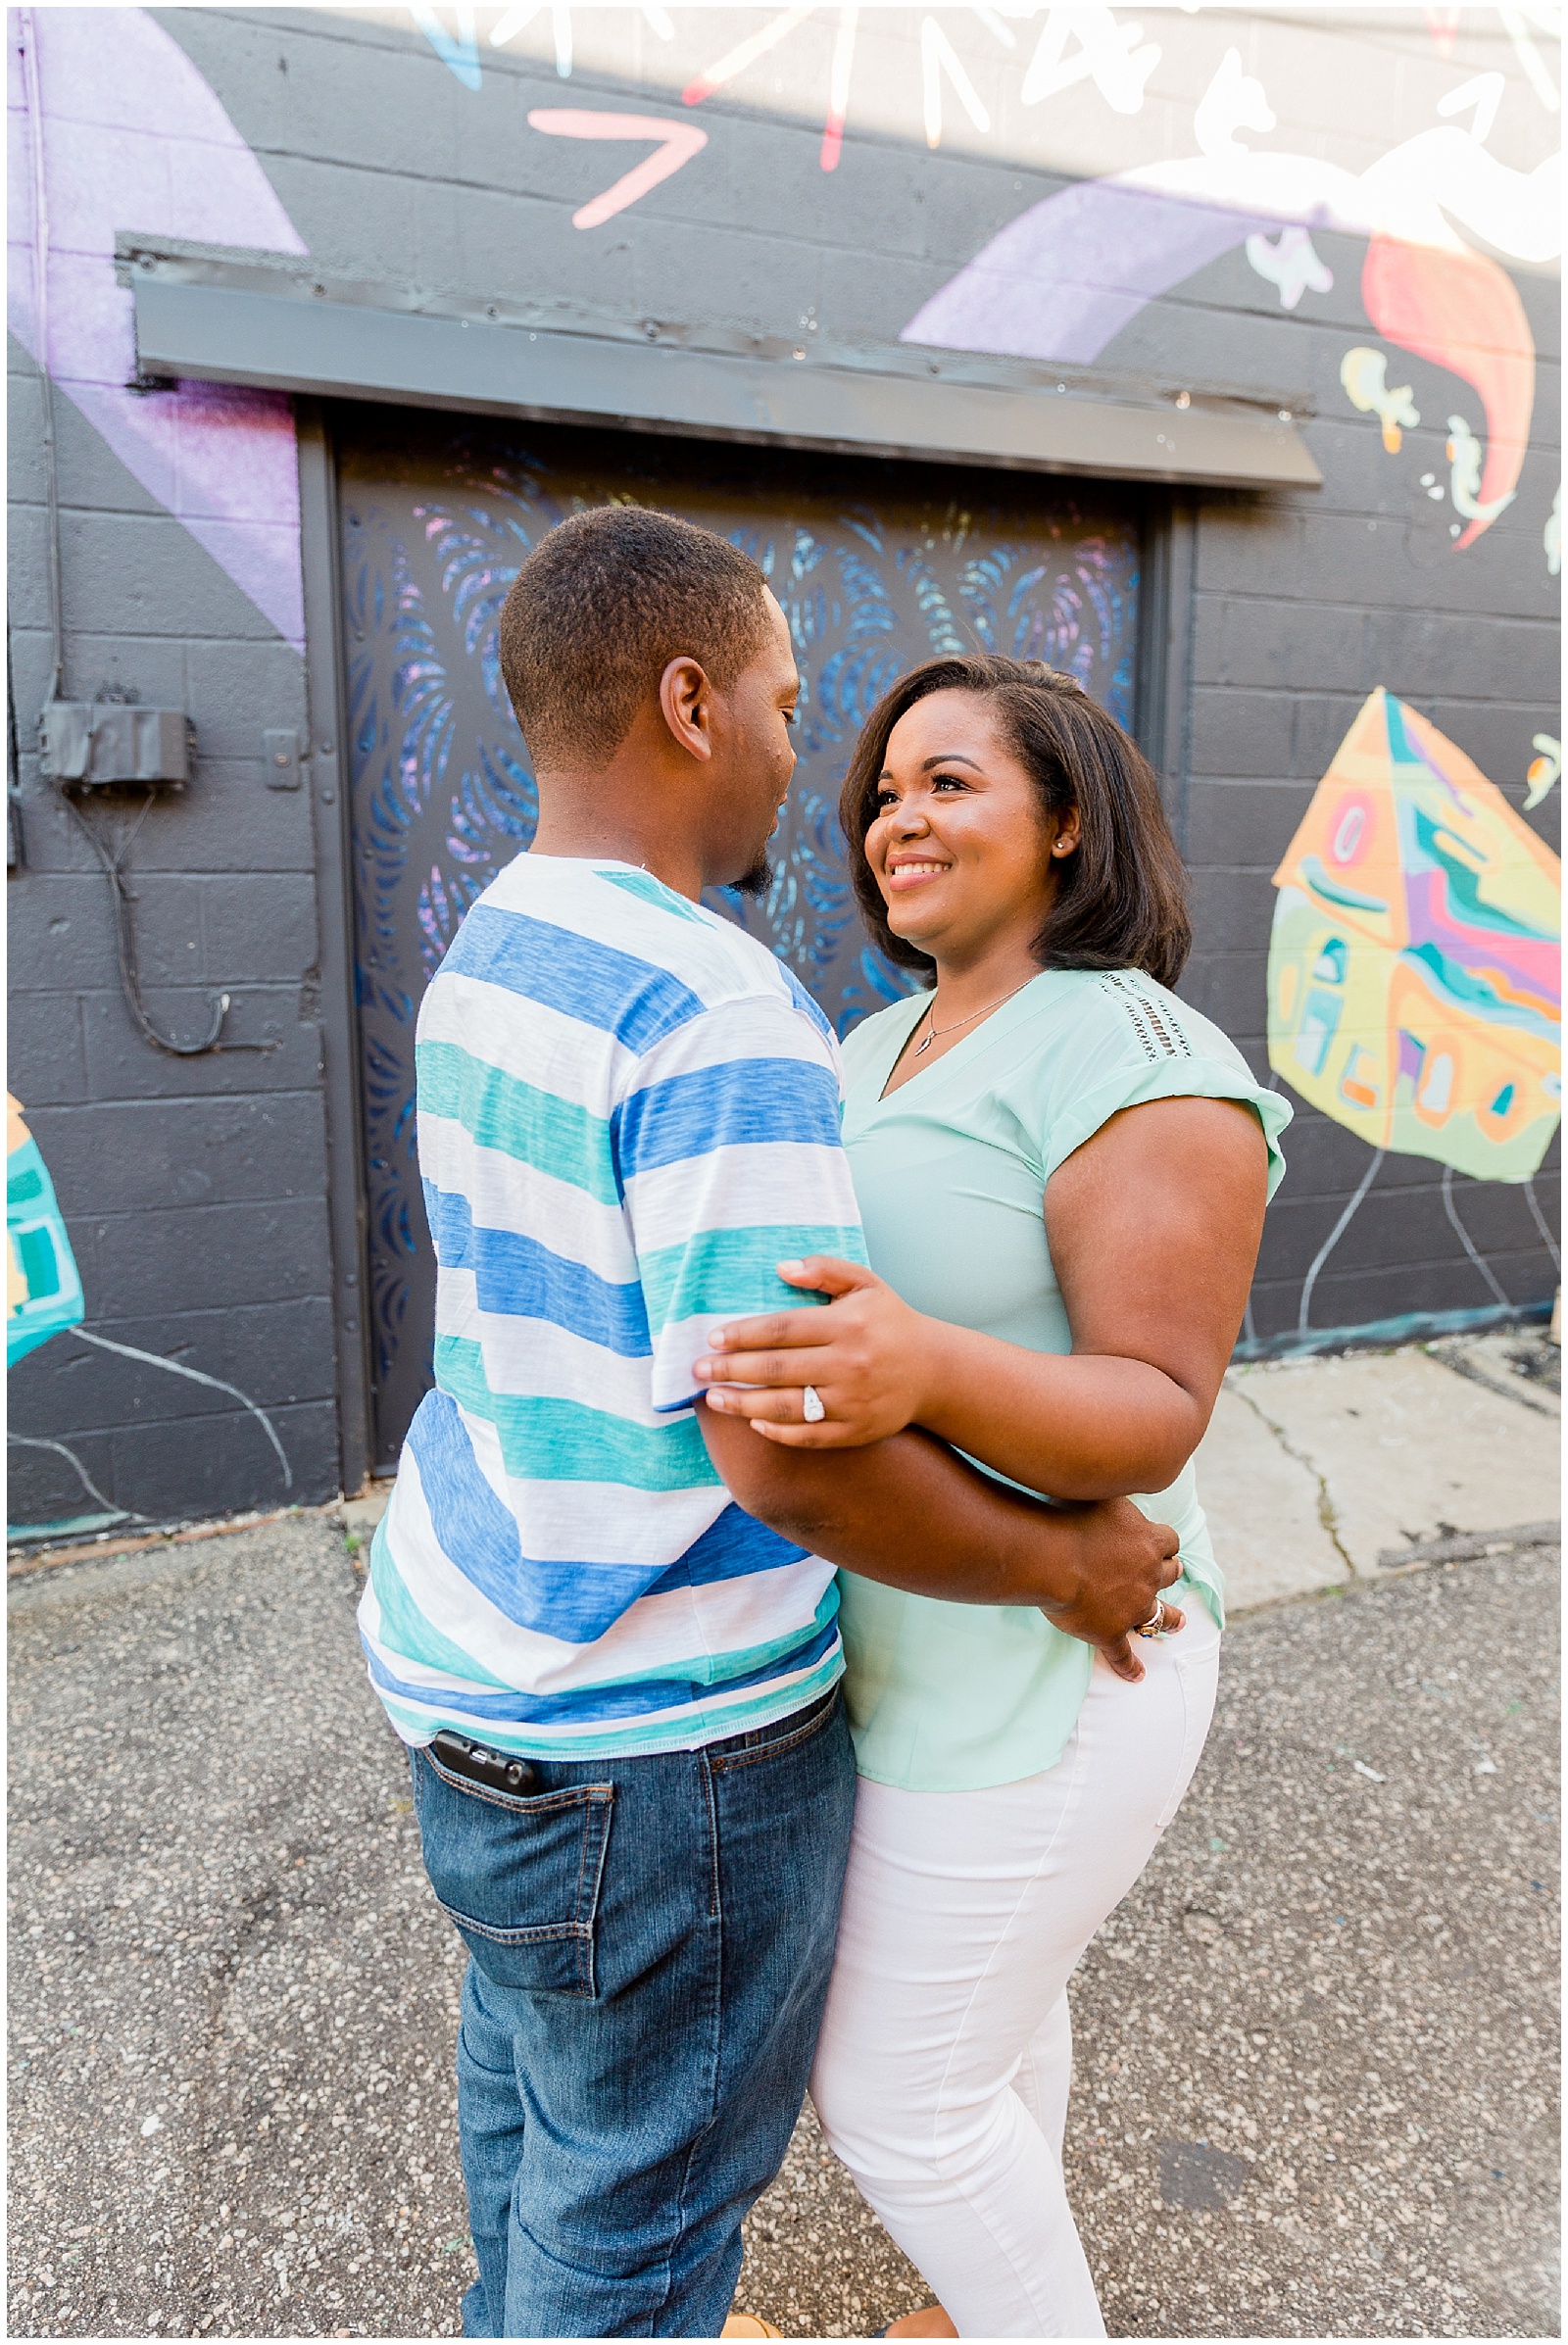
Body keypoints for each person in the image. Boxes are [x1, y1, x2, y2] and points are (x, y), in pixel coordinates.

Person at [357, 518, 1183, 2341]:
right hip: (658, 1747)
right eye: (796, 709)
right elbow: (781, 1446)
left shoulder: (495, 938)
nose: (809, 761)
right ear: (687, 700)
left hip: (475, 1677)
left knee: (537, 2119)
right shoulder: (721, 1001)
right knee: (639, 2220)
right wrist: (1062, 1556)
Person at [693, 654, 1291, 2338]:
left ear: (1070, 820)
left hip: (1068, 1653)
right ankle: (982, 2303)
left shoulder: (1140, 1050)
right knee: (995, 2018)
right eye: (884, 789)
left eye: (950, 781)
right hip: (915, 1630)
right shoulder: (879, 1036)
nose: (898, 816)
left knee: (895, 2092)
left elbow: (1155, 1408)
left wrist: (924, 1369)